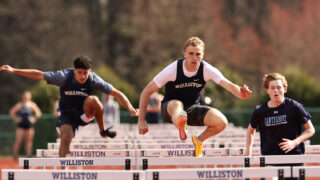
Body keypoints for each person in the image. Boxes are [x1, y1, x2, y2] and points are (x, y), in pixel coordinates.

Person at [1, 56, 139, 157]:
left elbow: (117, 93)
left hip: (83, 113)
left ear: (90, 71)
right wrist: (14, 70)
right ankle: (63, 172)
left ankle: (102, 130)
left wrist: (131, 108)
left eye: (86, 72)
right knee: (66, 139)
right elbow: (39, 74)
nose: (83, 76)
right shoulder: (63, 76)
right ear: (74, 70)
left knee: (95, 100)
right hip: (67, 114)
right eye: (80, 72)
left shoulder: (93, 79)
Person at [138, 37, 251, 157]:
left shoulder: (206, 69)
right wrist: (141, 120)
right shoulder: (173, 69)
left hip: (192, 108)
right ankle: (181, 123)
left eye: (198, 54)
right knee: (177, 105)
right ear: (184, 54)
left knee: (222, 122)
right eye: (191, 54)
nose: (194, 57)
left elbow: (227, 84)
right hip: (169, 108)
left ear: (202, 56)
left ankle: (199, 140)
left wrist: (241, 93)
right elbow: (146, 91)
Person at [246, 73, 315, 174]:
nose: (276, 91)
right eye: (272, 88)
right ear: (267, 90)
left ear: (285, 89)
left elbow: (310, 129)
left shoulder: (295, 107)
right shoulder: (260, 111)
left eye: (279, 87)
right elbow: (251, 130)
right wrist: (248, 151)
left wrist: (294, 142)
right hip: (270, 158)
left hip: (294, 157)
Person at [10, 91, 42, 160]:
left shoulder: (32, 105)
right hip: (21, 126)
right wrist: (16, 119)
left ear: (30, 97)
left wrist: (34, 119)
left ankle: (28, 155)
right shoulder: (20, 105)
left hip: (29, 126)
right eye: (25, 96)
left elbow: (38, 113)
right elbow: (12, 112)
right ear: (23, 97)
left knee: (28, 141)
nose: (26, 98)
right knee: (18, 140)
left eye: (27, 96)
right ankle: (15, 155)